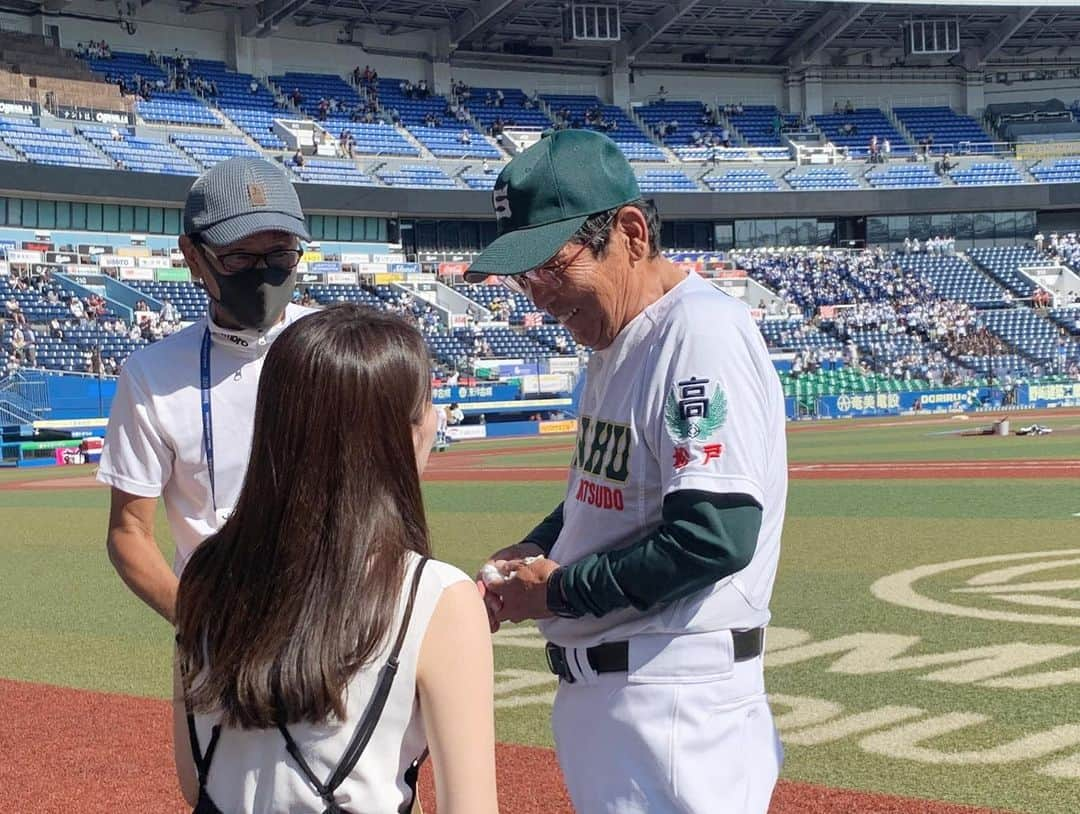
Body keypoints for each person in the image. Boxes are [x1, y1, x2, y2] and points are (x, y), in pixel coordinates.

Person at [464, 129, 786, 814]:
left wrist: (555, 595)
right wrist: (542, 547)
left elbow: (714, 538)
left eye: (551, 265)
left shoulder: (698, 333)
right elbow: (602, 491)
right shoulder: (620, 337)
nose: (538, 296)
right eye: (525, 277)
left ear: (632, 233)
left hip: (672, 706)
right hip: (630, 699)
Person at [173, 306, 497, 814]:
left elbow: (196, 782)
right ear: (402, 433)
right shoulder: (435, 595)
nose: (436, 421)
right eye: (428, 405)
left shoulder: (205, 574)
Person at [98, 157, 316, 623]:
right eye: (239, 256)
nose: (263, 274)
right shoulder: (151, 375)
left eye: (280, 254)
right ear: (193, 256)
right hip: (216, 648)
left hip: (336, 627)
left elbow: (411, 441)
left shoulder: (341, 348)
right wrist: (200, 624)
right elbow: (128, 531)